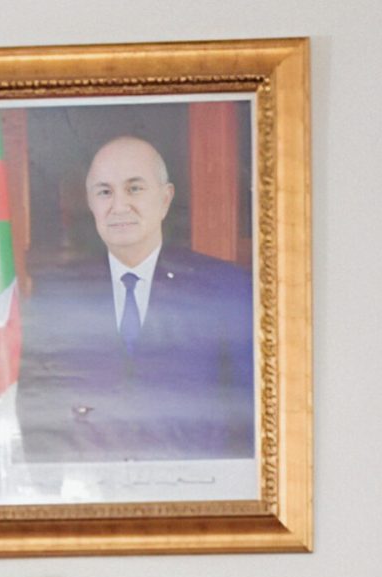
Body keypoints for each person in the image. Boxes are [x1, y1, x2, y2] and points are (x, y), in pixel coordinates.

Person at [16, 133, 257, 463]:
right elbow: (38, 417)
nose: (119, 206)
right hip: (91, 491)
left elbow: (251, 419)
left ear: (165, 198)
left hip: (197, 490)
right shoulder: (59, 295)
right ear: (90, 203)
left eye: (134, 188)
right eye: (105, 192)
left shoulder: (224, 289)